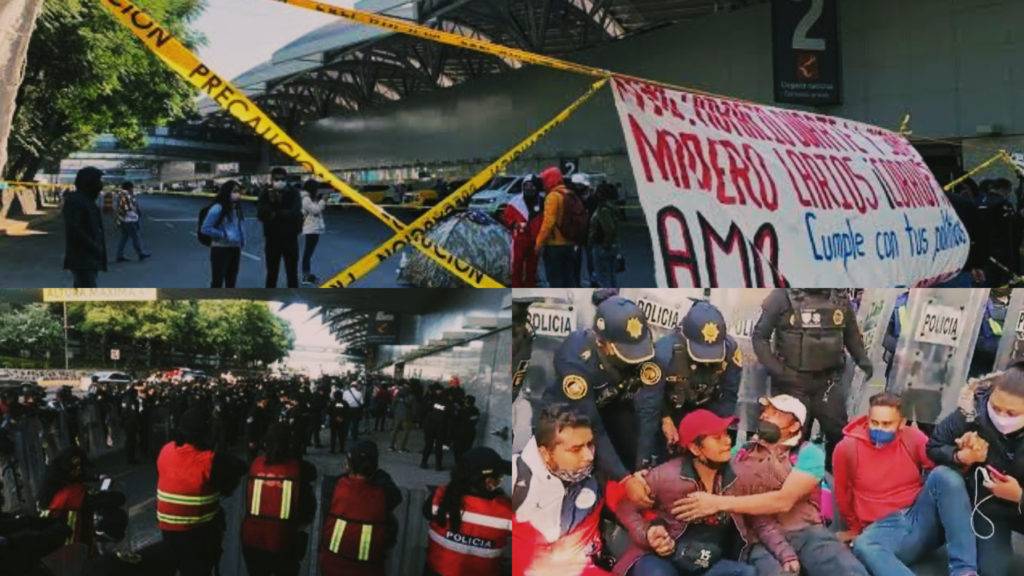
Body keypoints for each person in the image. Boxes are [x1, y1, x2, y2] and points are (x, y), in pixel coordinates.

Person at [672, 395, 869, 576]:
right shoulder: (740, 451)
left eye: (776, 413)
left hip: (806, 532)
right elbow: (703, 468)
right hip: (757, 539)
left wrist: (718, 503)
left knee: (847, 570)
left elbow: (783, 501)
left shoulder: (808, 453)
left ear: (794, 426)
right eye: (765, 411)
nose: (765, 415)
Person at [833, 392, 978, 576]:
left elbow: (942, 474)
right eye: (874, 422)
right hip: (883, 528)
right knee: (864, 545)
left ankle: (964, 570)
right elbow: (843, 492)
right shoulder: (847, 448)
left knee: (944, 475)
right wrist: (854, 528)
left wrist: (963, 457)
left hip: (918, 515)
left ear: (901, 423)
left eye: (887, 424)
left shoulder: (913, 437)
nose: (879, 429)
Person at [539, 293, 659, 507]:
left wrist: (641, 466)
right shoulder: (576, 358)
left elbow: (649, 410)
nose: (635, 359)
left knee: (634, 446)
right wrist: (625, 479)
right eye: (627, 352)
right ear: (602, 343)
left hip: (612, 406)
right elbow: (593, 426)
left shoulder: (641, 346)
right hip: (570, 418)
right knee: (580, 465)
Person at [613, 409, 757, 576]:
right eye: (717, 437)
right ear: (695, 448)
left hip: (706, 561)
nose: (727, 441)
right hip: (663, 559)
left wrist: (783, 555)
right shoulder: (666, 475)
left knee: (747, 573)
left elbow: (761, 519)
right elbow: (625, 508)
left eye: (726, 434)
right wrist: (647, 534)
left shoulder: (737, 476)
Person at [752, 289, 873, 468]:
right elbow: (760, 337)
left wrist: (863, 360)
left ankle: (832, 473)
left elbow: (851, 335)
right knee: (795, 435)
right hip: (793, 382)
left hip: (828, 382)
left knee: (837, 432)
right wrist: (779, 371)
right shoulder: (781, 296)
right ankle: (789, 476)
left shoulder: (839, 297)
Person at [925, 362, 1024, 576]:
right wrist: (961, 456)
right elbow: (934, 445)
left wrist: (1019, 496)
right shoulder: (973, 409)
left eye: (1011, 413)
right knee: (992, 570)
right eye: (995, 407)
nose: (1001, 417)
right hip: (990, 508)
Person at [512, 404, 608, 576]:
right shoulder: (516, 479)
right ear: (545, 454)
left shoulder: (599, 474)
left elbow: (627, 501)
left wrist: (649, 530)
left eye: (590, 444)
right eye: (576, 449)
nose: (589, 456)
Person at [646, 300, 742, 461]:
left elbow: (729, 394)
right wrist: (665, 418)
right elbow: (650, 399)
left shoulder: (730, 350)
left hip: (708, 407)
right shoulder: (663, 353)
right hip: (669, 408)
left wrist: (716, 432)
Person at [156, 406, 246, 576]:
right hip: (197, 533)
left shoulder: (166, 450)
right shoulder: (209, 460)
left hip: (167, 531)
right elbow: (240, 468)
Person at [241, 424, 317, 576]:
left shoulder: (255, 465)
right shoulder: (299, 468)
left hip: (252, 541)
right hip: (284, 541)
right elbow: (308, 508)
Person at [424, 447, 513, 576]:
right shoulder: (506, 512)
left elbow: (427, 512)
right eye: (499, 478)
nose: (500, 481)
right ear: (489, 483)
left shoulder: (439, 498)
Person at [318, 440, 402, 576]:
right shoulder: (383, 494)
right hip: (369, 570)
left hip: (331, 566)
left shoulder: (334, 487)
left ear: (348, 466)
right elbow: (395, 496)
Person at [535, 166, 585, 287]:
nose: (543, 184)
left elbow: (548, 223)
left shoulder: (553, 196)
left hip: (555, 246)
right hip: (571, 243)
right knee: (569, 278)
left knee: (556, 281)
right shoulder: (570, 193)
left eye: (544, 180)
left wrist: (538, 244)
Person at [62, 166, 107, 288]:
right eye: (98, 180)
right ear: (88, 181)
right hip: (82, 258)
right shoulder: (76, 201)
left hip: (89, 258)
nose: (100, 184)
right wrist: (94, 246)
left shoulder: (87, 200)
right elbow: (75, 230)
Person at [257, 167, 302, 288]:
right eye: (276, 179)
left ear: (286, 179)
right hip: (272, 238)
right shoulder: (265, 192)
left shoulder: (294, 192)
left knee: (292, 273)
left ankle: (293, 295)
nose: (279, 182)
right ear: (272, 179)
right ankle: (269, 295)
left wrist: (275, 213)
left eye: (282, 179)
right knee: (272, 273)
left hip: (290, 238)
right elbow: (261, 214)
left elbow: (295, 213)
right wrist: (279, 211)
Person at [201, 180, 246, 288]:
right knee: (217, 282)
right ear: (227, 192)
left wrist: (242, 240)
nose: (237, 194)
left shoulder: (237, 208)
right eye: (234, 191)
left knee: (231, 282)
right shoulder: (217, 208)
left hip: (235, 248)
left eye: (238, 191)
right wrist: (223, 234)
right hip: (220, 249)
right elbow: (205, 228)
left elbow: (239, 226)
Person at [504, 175, 544, 287]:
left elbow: (546, 219)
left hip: (535, 240)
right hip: (519, 240)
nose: (529, 188)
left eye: (531, 185)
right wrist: (515, 225)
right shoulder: (515, 201)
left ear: (536, 186)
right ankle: (517, 288)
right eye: (526, 185)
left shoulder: (542, 201)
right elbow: (506, 217)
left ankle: (530, 287)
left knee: (532, 267)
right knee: (517, 266)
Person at [588, 182, 621, 288]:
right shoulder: (612, 208)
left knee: (603, 277)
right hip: (613, 245)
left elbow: (609, 229)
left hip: (601, 246)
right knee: (611, 275)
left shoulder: (603, 210)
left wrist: (605, 245)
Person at [114, 181, 150, 263]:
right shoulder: (125, 196)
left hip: (125, 219)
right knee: (135, 237)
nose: (132, 189)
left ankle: (119, 255)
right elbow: (127, 209)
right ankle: (140, 253)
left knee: (124, 238)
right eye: (132, 188)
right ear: (129, 188)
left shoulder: (126, 195)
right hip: (129, 220)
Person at [299, 179, 326, 284]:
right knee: (308, 253)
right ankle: (306, 276)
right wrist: (322, 200)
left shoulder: (309, 198)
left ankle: (307, 275)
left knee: (308, 253)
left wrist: (320, 200)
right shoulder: (306, 199)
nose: (318, 190)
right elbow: (315, 210)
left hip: (313, 228)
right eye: (317, 188)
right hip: (311, 229)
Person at [421, 383, 448, 471]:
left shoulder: (428, 398)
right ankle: (438, 465)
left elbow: (423, 410)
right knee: (438, 446)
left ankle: (424, 462)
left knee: (428, 445)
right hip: (439, 425)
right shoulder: (444, 399)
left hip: (430, 425)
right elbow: (448, 411)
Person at [389, 383, 415, 453]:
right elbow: (412, 407)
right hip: (407, 416)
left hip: (397, 415)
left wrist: (393, 412)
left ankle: (391, 446)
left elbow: (393, 404)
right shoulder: (411, 396)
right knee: (405, 432)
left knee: (395, 431)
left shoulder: (397, 395)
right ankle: (401, 448)